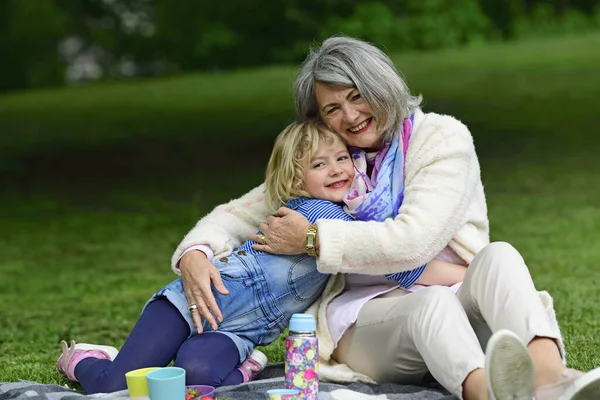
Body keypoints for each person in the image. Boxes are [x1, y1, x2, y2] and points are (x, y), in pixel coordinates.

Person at [173, 36, 600, 400]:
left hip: (456, 293)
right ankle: (489, 392)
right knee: (429, 305)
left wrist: (314, 239)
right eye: (332, 109)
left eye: (357, 96)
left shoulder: (440, 138)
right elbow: (236, 216)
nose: (350, 116)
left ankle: (552, 380)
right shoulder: (329, 163)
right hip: (366, 322)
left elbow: (411, 242)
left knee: (501, 255)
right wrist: (195, 251)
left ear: (383, 87)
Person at [56, 120, 465, 394]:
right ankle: (81, 360)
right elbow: (404, 264)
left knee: (198, 383)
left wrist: (462, 271)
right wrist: (466, 272)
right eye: (319, 164)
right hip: (192, 303)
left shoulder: (344, 224)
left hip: (239, 332)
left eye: (342, 158)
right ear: (294, 178)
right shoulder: (318, 213)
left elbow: (397, 261)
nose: (337, 169)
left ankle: (247, 364)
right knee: (114, 387)